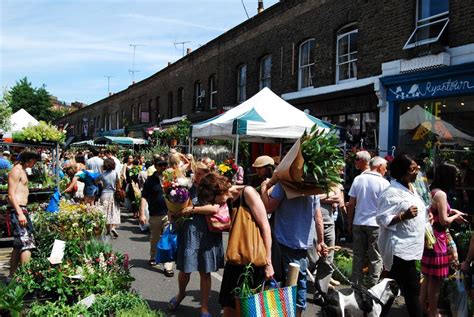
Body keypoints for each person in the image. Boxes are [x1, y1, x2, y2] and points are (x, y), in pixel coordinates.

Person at [261, 179, 327, 317]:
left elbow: (268, 207)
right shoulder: (312, 187)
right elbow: (318, 217)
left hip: (282, 242)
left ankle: (277, 314)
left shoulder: (283, 184)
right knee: (299, 283)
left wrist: (265, 187)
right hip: (302, 245)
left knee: (277, 283)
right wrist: (321, 241)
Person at [169, 162, 224, 317]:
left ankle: (204, 307)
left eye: (201, 173)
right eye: (197, 173)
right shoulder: (187, 186)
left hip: (208, 232)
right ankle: (181, 294)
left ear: (208, 173)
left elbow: (215, 208)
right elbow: (178, 204)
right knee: (185, 269)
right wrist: (175, 211)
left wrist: (193, 209)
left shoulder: (214, 188)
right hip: (190, 232)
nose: (198, 176)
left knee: (205, 271)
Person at [376, 154, 428, 317]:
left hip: (411, 247)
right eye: (413, 169)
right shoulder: (391, 192)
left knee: (389, 290)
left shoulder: (412, 188)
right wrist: (402, 217)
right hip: (399, 249)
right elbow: (382, 218)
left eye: (416, 168)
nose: (417, 171)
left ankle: (375, 313)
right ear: (403, 172)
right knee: (412, 291)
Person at [214, 177, 274, 317]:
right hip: (237, 254)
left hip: (255, 255)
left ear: (220, 192)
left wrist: (268, 262)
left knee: (250, 306)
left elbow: (265, 226)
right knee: (229, 303)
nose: (214, 204)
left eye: (213, 199)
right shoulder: (230, 197)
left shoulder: (248, 193)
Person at [420, 163, 467, 317]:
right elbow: (444, 221)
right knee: (436, 280)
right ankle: (433, 312)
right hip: (438, 240)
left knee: (427, 277)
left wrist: (452, 211)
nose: (458, 179)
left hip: (431, 238)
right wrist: (455, 215)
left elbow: (438, 211)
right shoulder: (441, 194)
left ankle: (423, 310)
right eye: (455, 176)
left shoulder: (434, 191)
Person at [347, 156, 390, 287]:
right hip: (376, 225)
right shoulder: (384, 183)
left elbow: (351, 203)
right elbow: (387, 207)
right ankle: (372, 289)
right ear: (379, 167)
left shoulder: (358, 179)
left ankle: (356, 287)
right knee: (375, 259)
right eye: (385, 167)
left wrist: (349, 222)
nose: (386, 170)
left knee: (358, 257)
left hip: (359, 222)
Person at [139, 156, 174, 276]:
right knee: (155, 238)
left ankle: (167, 265)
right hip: (155, 214)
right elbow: (144, 197)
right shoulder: (150, 180)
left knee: (167, 239)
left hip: (169, 213)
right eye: (160, 165)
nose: (163, 167)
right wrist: (142, 214)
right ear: (155, 165)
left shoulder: (171, 178)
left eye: (165, 164)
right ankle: (153, 256)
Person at [8, 151, 40, 276]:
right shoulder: (16, 171)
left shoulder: (22, 171)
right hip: (19, 210)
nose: (35, 163)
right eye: (34, 161)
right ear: (29, 160)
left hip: (21, 209)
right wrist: (20, 213)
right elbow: (11, 194)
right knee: (27, 244)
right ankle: (26, 277)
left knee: (18, 245)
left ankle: (12, 275)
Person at [98, 158, 121, 238]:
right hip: (113, 194)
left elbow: (95, 181)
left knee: (106, 212)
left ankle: (108, 231)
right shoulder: (115, 173)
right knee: (114, 211)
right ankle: (113, 227)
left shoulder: (102, 174)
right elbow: (118, 184)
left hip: (104, 194)